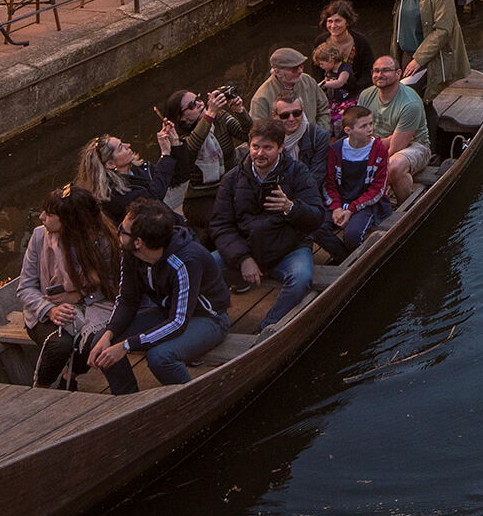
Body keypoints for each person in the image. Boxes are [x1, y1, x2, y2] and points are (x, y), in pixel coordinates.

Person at [91, 197, 231, 389]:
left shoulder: (185, 262)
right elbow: (127, 299)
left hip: (208, 318)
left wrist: (127, 345)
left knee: (159, 357)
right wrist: (109, 334)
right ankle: (128, 399)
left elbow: (178, 322)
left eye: (122, 231)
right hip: (168, 312)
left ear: (138, 242)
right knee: (100, 340)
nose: (118, 234)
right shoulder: (132, 253)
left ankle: (190, 398)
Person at [209, 116, 324, 330]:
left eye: (267, 148)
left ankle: (269, 327)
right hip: (248, 248)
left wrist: (291, 207)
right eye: (255, 147)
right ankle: (214, 321)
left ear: (280, 148)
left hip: (289, 250)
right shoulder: (232, 179)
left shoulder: (297, 173)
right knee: (206, 266)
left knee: (300, 278)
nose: (260, 153)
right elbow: (220, 225)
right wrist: (243, 258)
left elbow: (317, 217)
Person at [17, 185, 132, 391]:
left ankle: (69, 377)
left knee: (91, 342)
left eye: (49, 214)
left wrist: (79, 296)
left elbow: (112, 286)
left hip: (94, 305)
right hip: (44, 307)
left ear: (69, 222)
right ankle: (39, 389)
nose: (41, 216)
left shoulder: (102, 242)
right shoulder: (38, 237)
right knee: (59, 346)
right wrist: (50, 310)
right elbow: (25, 288)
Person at [75, 118, 197, 217]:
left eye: (123, 143)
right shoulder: (113, 195)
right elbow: (153, 198)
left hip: (166, 225)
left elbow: (180, 177)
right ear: (110, 164)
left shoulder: (140, 168)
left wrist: (175, 143)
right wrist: (165, 154)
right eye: (121, 148)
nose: (128, 145)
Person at [315, 104, 392, 260]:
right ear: (348, 131)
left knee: (353, 236)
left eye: (370, 124)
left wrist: (351, 209)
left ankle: (357, 258)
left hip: (367, 204)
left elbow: (378, 188)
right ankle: (344, 258)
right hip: (340, 200)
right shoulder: (335, 150)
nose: (369, 129)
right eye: (363, 126)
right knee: (316, 227)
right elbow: (329, 183)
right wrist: (336, 207)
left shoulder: (379, 150)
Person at [393, 0, 470, 93]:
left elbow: (443, 30)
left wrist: (419, 59)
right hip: (407, 53)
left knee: (417, 97)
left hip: (428, 56)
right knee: (409, 97)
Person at [360, 52, 430, 204]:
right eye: (376, 71)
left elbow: (396, 147)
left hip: (414, 145)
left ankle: (404, 205)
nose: (379, 75)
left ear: (398, 74)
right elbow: (358, 131)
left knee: (394, 166)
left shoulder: (409, 104)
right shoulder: (366, 96)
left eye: (385, 70)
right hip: (377, 143)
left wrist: (371, 151)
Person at [249, 47, 329, 132]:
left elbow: (324, 109)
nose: (300, 71)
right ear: (277, 72)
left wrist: (320, 132)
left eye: (301, 66)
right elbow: (259, 131)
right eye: (294, 69)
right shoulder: (261, 98)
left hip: (312, 138)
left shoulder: (308, 81)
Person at [271, 91, 330, 185]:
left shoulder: (318, 137)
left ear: (303, 111)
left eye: (296, 113)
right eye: (285, 115)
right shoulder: (269, 137)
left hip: (308, 193)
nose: (291, 119)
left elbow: (316, 176)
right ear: (274, 116)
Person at [317, 0, 375, 91]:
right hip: (327, 90)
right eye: (330, 21)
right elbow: (317, 71)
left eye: (338, 21)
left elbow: (368, 72)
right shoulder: (320, 41)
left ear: (347, 22)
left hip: (356, 90)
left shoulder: (361, 41)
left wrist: (354, 89)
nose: (333, 25)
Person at [312, 38, 357, 114]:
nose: (320, 66)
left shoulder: (344, 69)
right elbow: (326, 81)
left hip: (347, 99)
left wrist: (324, 84)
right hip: (333, 99)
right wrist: (318, 87)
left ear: (331, 60)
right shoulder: (328, 70)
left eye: (322, 64)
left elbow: (340, 82)